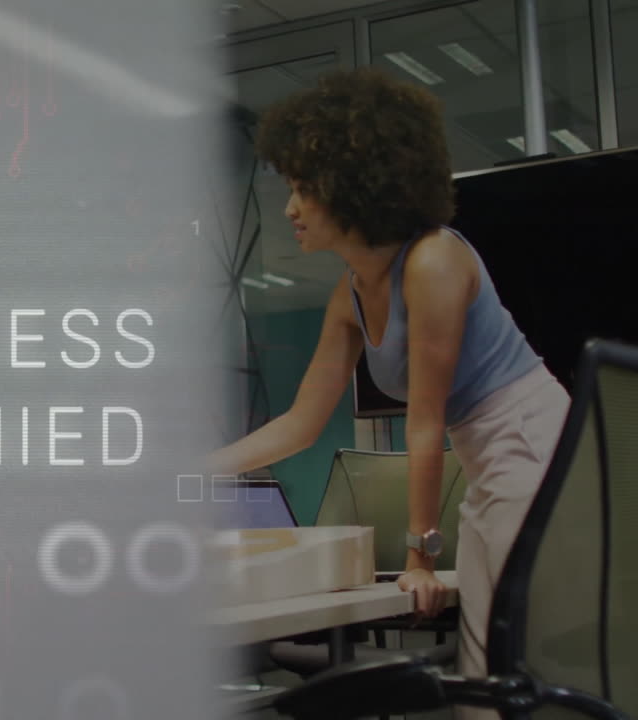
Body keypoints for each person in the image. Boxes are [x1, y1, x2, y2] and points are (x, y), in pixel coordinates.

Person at [206, 67, 569, 716]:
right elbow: (299, 424)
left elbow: (424, 422)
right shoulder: (350, 297)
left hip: (534, 447)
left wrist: (419, 557)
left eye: (303, 189)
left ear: (354, 184)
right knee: (483, 675)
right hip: (488, 461)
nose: (289, 209)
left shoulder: (432, 261)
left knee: (521, 666)